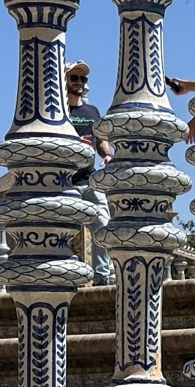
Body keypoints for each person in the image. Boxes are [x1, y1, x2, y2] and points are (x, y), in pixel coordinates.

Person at [66, 62, 115, 284]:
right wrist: (74, 141)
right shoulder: (57, 113)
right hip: (65, 182)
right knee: (63, 230)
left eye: (82, 79)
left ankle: (102, 277)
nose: (79, 82)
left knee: (103, 225)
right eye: (74, 78)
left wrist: (108, 154)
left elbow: (100, 140)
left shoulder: (92, 111)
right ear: (64, 81)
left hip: (90, 179)